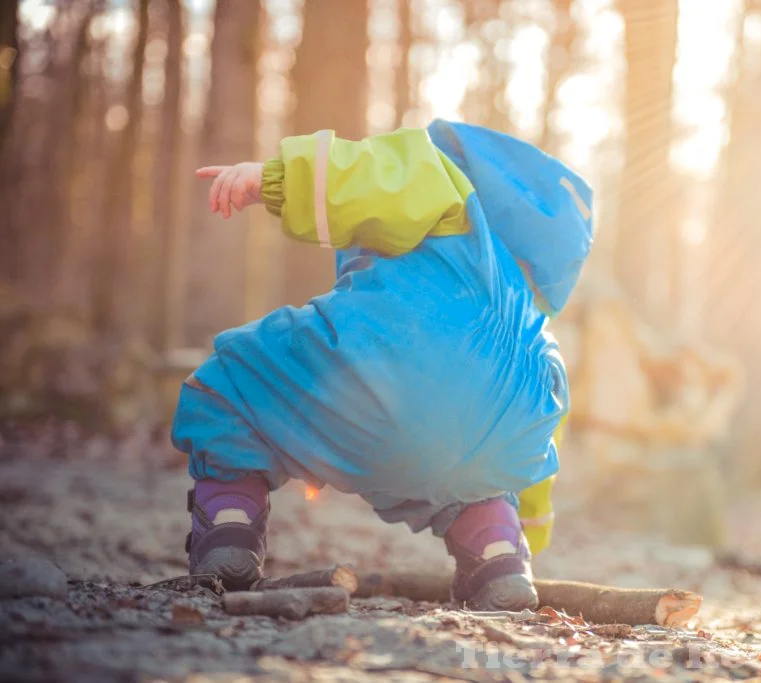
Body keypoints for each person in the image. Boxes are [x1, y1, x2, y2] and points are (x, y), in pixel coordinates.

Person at [174, 119, 594, 611]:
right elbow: (542, 440)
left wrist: (271, 180)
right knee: (479, 478)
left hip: (382, 382)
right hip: (492, 449)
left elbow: (372, 176)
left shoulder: (449, 191)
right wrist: (532, 528)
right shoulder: (535, 331)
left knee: (233, 384)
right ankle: (498, 553)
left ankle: (229, 527)